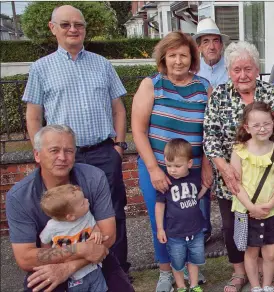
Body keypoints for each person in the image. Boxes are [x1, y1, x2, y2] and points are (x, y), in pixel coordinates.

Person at [22, 5, 131, 274]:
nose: (73, 30)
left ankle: (116, 269)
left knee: (113, 212)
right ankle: (70, 268)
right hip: (62, 157)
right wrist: (41, 153)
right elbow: (34, 115)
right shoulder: (41, 68)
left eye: (78, 25)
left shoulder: (102, 64)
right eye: (66, 25)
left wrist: (118, 146)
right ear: (53, 28)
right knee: (63, 213)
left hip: (103, 152)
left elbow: (118, 108)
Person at [203, 41, 274, 292]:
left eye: (248, 68)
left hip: (268, 175)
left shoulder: (272, 93)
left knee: (266, 225)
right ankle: (239, 273)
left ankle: (265, 274)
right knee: (234, 225)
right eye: (236, 69)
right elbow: (210, 137)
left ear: (257, 69)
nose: (242, 75)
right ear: (229, 71)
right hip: (232, 175)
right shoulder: (220, 95)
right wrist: (223, 168)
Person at [5, 125, 134, 292]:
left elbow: (108, 236)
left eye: (69, 151)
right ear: (37, 155)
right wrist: (78, 249)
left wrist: (70, 267)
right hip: (50, 265)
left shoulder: (93, 177)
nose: (62, 157)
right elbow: (25, 258)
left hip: (95, 259)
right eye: (54, 150)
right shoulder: (20, 197)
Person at [131, 31, 213, 292]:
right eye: (172, 55)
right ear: (163, 58)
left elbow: (210, 132)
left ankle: (192, 269)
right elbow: (138, 130)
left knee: (194, 219)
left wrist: (208, 167)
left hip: (194, 168)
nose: (178, 61)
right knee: (164, 220)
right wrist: (154, 169)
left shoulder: (203, 87)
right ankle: (166, 271)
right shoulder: (151, 85)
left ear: (192, 58)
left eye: (184, 55)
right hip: (158, 169)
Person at [230, 102, 274, 292]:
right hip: (246, 210)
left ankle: (267, 285)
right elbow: (235, 184)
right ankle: (255, 286)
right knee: (251, 251)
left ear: (273, 123)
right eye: (256, 125)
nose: (262, 129)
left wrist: (270, 204)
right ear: (247, 127)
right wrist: (251, 207)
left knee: (270, 252)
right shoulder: (239, 150)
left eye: (266, 124)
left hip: (272, 210)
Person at [193, 17, 230, 243]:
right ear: (199, 46)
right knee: (202, 182)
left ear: (221, 44)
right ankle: (203, 229)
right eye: (206, 41)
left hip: (228, 136)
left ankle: (231, 228)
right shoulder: (192, 69)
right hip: (198, 134)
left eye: (215, 41)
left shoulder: (231, 66)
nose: (212, 46)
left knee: (229, 181)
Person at [155, 139, 208, 292]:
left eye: (177, 166)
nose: (172, 170)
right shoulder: (165, 182)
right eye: (169, 165)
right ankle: (181, 287)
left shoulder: (194, 177)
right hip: (175, 233)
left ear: (189, 163)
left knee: (194, 260)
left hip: (196, 231)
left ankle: (194, 285)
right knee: (177, 263)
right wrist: (160, 229)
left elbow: (197, 196)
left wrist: (205, 187)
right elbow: (159, 206)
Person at [39, 184, 107, 292]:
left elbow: (94, 226)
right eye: (82, 203)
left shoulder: (86, 215)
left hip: (92, 267)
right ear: (70, 216)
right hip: (72, 276)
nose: (87, 200)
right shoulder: (52, 227)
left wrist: (96, 232)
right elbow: (44, 241)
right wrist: (51, 259)